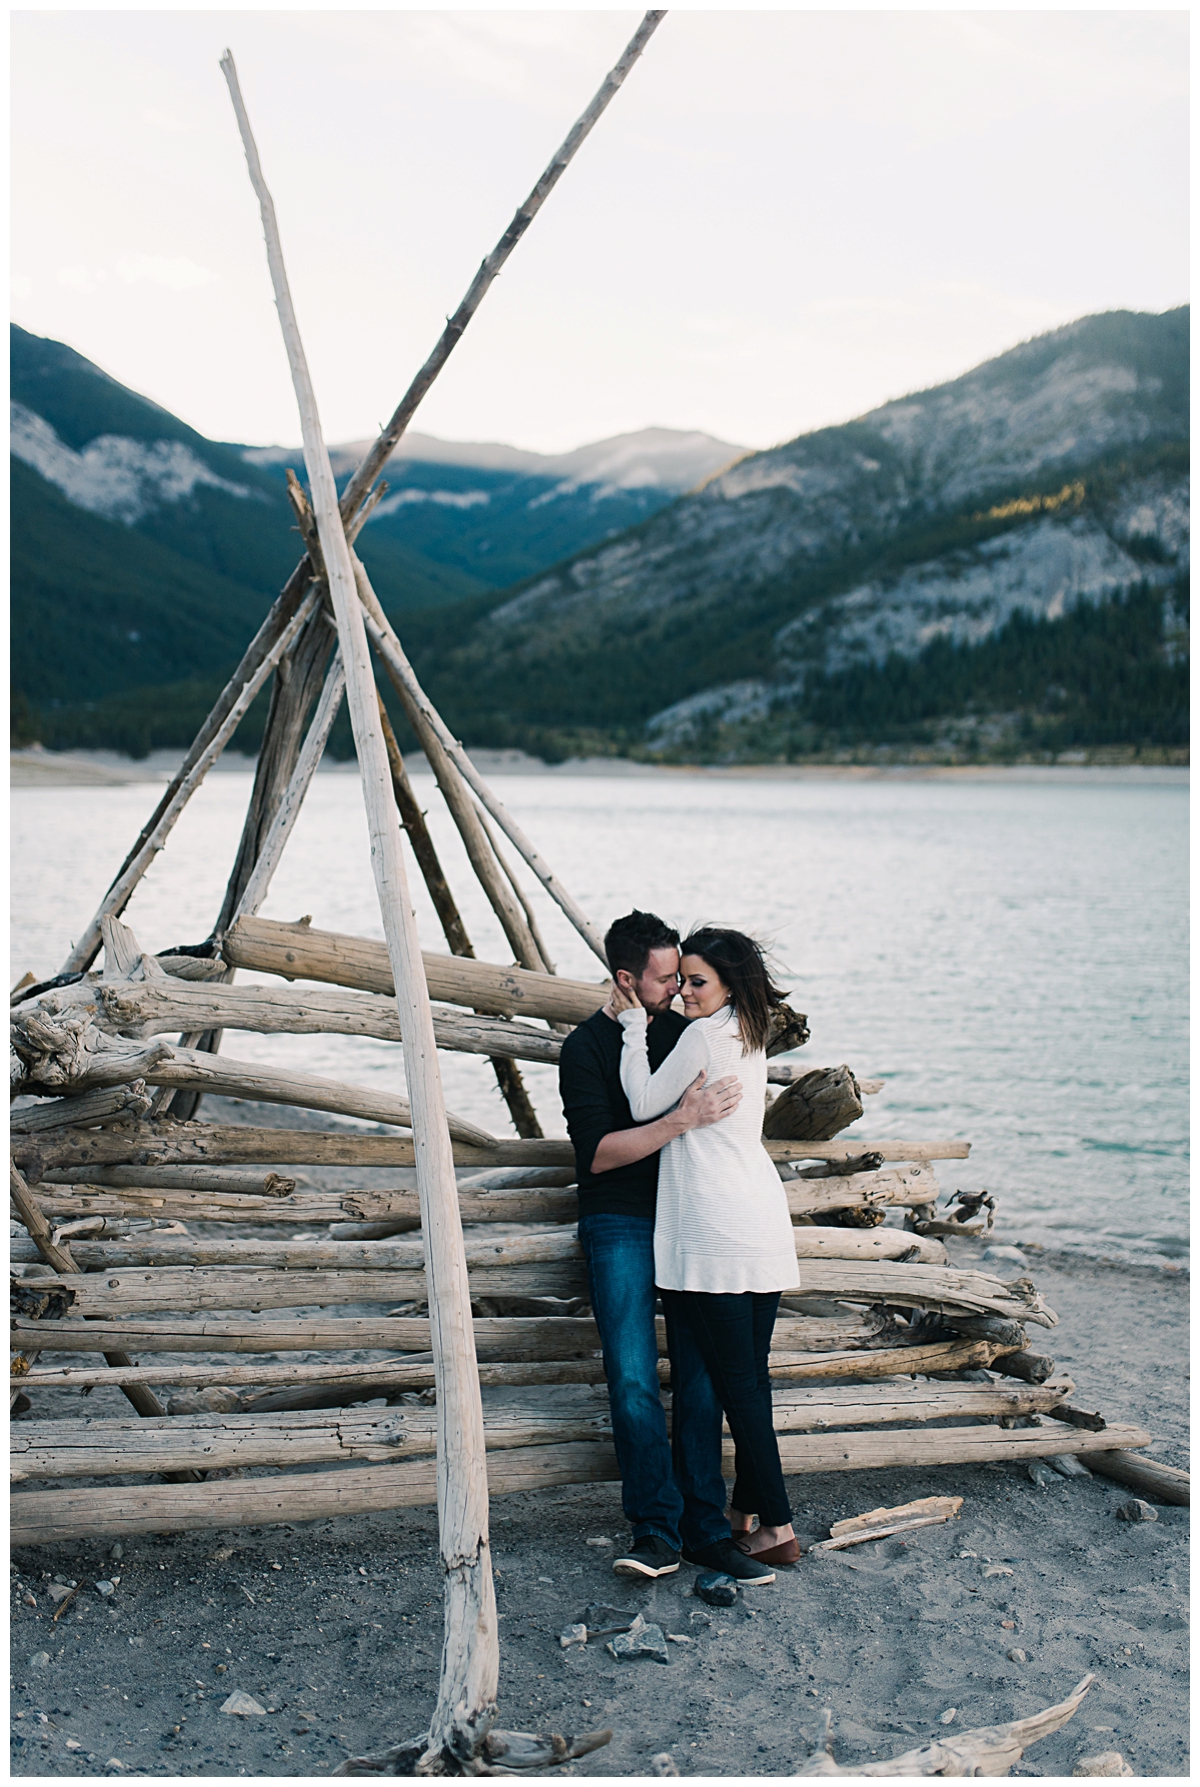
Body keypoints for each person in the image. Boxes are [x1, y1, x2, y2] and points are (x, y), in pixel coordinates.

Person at [559, 911, 776, 1585]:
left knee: (701, 1376)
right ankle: (655, 1528)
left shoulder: (693, 1032)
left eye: (683, 975)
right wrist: (682, 1118)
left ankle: (707, 1527)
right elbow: (600, 1154)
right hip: (620, 1221)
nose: (678, 988)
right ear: (627, 979)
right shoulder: (586, 1047)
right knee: (631, 1376)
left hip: (687, 1222)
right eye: (665, 978)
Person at [612, 926, 802, 1570]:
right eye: (682, 980)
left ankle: (776, 1526)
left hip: (717, 1233)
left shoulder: (700, 1034)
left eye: (698, 982)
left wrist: (635, 1026)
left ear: (727, 985)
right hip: (760, 1222)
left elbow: (642, 1103)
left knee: (738, 1386)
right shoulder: (748, 1031)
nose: (686, 992)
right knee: (751, 1377)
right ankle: (745, 1515)